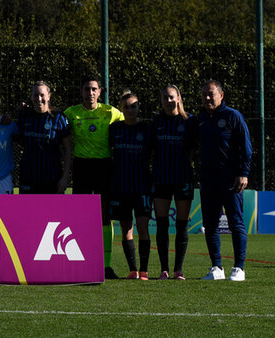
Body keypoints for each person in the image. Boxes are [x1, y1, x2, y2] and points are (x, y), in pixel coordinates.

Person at [64, 74, 122, 278]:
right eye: (87, 89)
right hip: (82, 167)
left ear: (100, 92)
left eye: (94, 89)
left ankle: (107, 265)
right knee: (80, 216)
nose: (90, 93)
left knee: (105, 216)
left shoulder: (111, 112)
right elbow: (53, 120)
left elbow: (129, 122)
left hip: (104, 167)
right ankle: (81, 262)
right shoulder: (71, 113)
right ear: (81, 91)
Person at [198, 80, 252, 282]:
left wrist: (243, 173)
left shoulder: (233, 116)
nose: (207, 98)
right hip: (208, 180)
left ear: (221, 95)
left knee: (236, 222)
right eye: (204, 94)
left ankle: (239, 268)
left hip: (231, 180)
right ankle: (217, 268)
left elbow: (246, 147)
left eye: (211, 94)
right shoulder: (200, 118)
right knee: (210, 225)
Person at [151, 84, 196, 280]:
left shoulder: (190, 121)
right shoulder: (156, 122)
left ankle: (178, 270)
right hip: (161, 178)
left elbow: (196, 149)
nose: (168, 101)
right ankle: (164, 269)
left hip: (183, 178)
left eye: (171, 97)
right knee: (161, 225)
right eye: (165, 98)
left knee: (181, 225)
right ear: (161, 101)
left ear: (178, 98)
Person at [109, 91, 153, 280]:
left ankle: (144, 270)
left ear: (138, 107)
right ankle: (133, 270)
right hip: (121, 186)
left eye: (133, 106)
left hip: (142, 185)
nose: (130, 110)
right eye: (126, 107)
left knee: (142, 226)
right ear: (121, 109)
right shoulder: (114, 129)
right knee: (126, 227)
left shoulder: (147, 129)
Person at [16, 81, 72, 194]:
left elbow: (67, 149)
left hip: (52, 178)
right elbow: (18, 139)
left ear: (49, 96)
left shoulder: (59, 118)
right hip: (28, 177)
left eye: (42, 95)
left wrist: (65, 177)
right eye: (35, 95)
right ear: (31, 97)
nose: (39, 98)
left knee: (52, 207)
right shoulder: (24, 115)